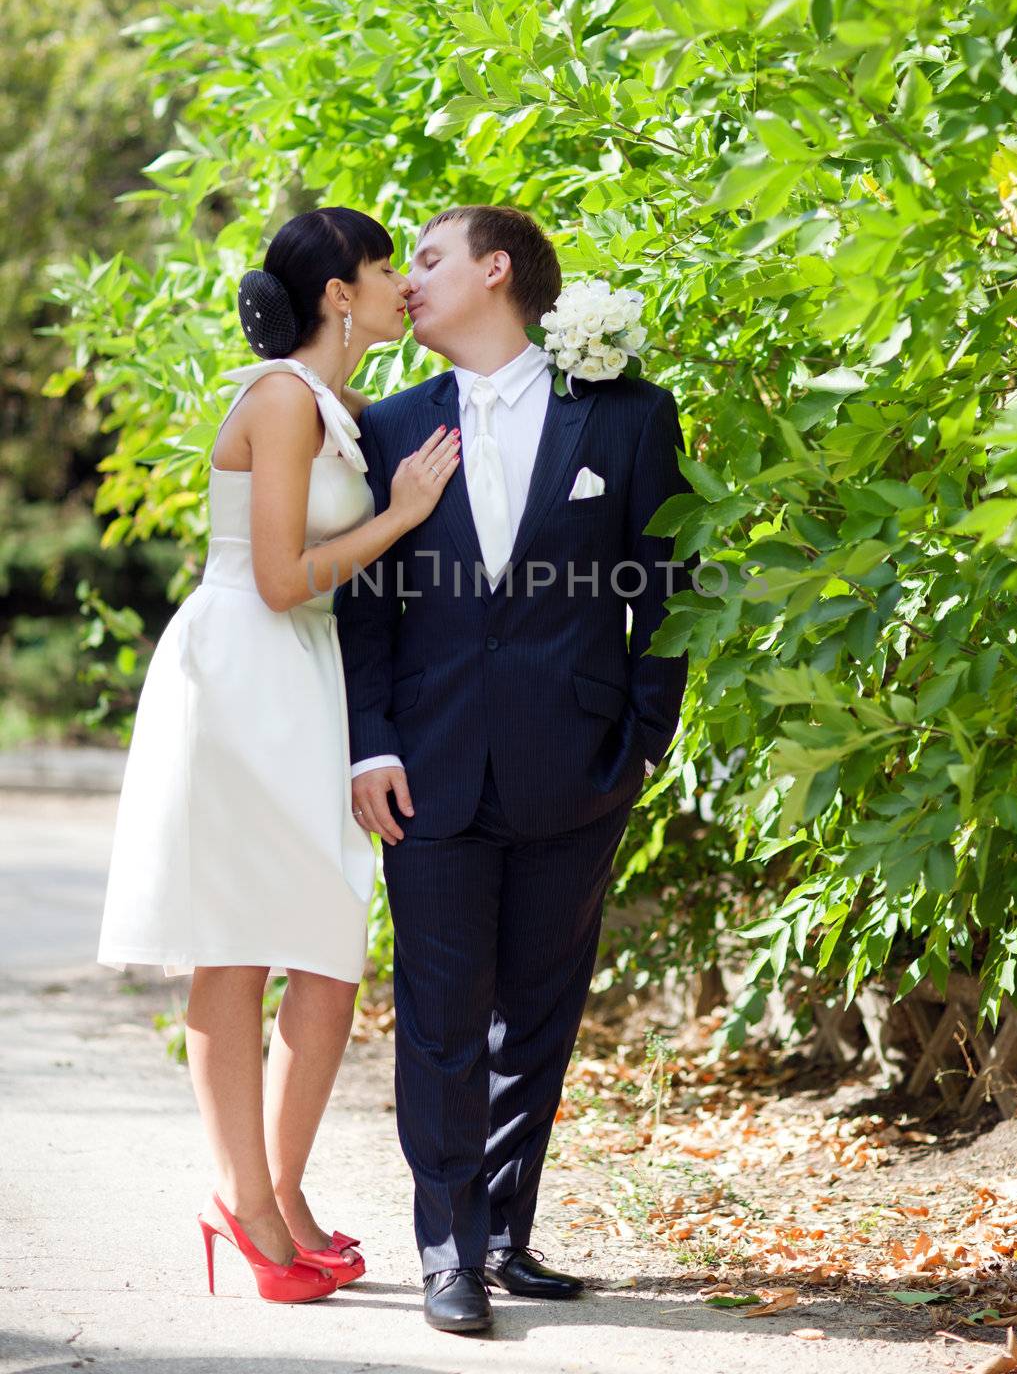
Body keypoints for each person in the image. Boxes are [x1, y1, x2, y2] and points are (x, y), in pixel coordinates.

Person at [337, 204, 690, 1334]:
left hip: (576, 764)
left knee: (536, 1013)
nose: (410, 283)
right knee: (440, 1019)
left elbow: (663, 588)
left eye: (427, 260)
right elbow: (365, 606)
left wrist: (638, 741)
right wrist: (372, 741)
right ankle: (447, 1254)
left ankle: (502, 1234)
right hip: (426, 769)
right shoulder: (385, 427)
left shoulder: (628, 416)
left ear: (496, 272)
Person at [97, 207, 460, 1303]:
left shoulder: (342, 409)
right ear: (338, 294)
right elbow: (276, 576)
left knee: (325, 942)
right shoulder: (277, 401)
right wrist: (398, 519)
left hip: (305, 680)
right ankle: (250, 1205)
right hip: (244, 673)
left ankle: (279, 1194)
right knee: (241, 942)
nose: (403, 282)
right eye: (387, 264)